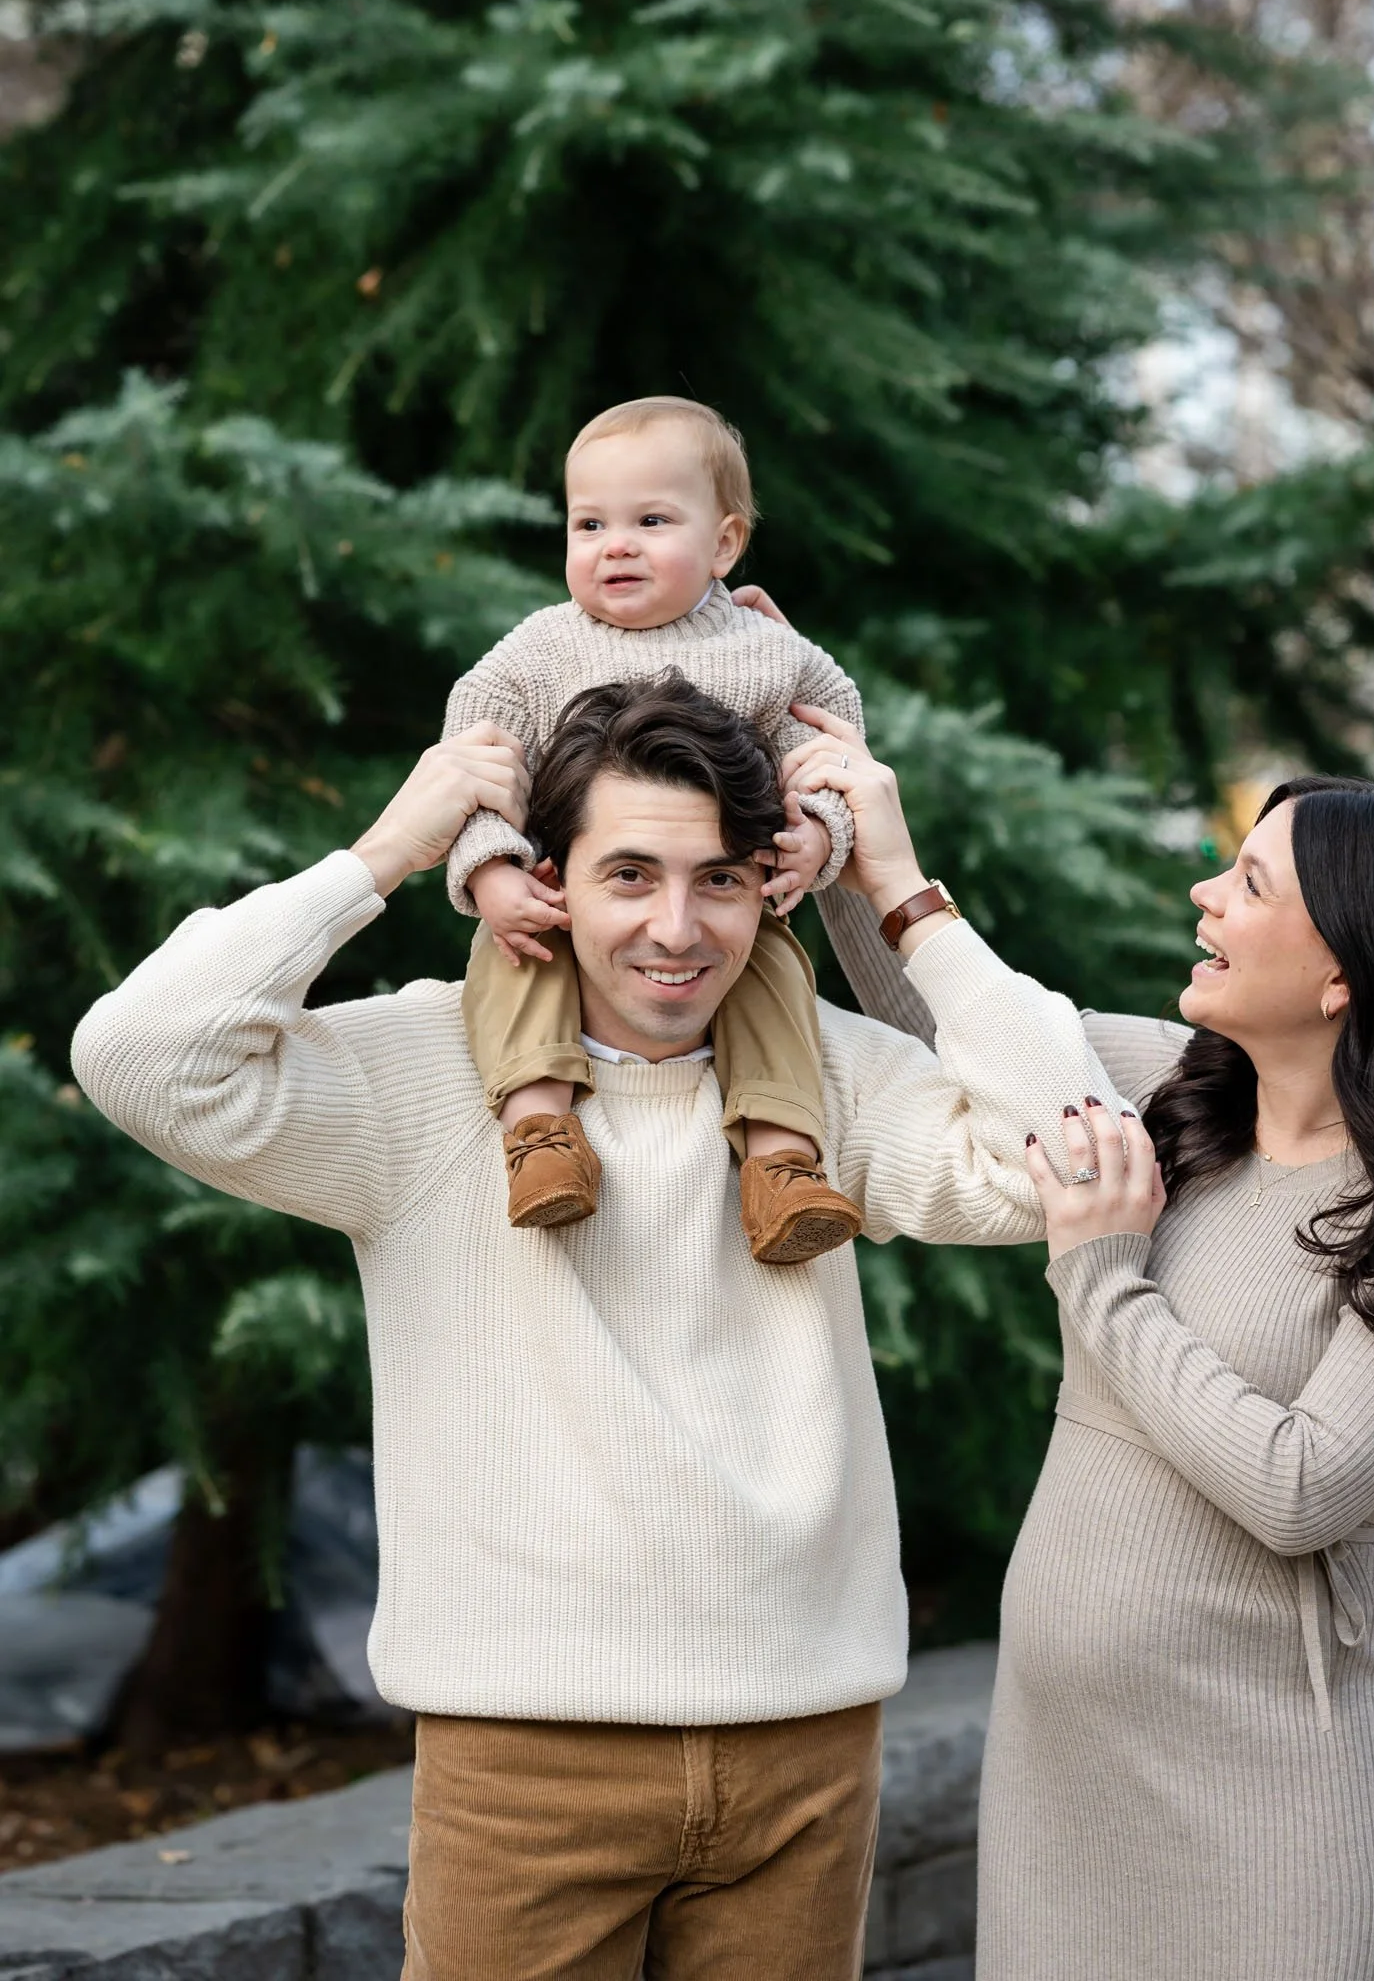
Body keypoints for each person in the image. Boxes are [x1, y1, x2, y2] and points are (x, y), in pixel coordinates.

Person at [70, 672, 1125, 1981]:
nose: (679, 929)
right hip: (526, 1761)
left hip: (806, 1744)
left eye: (722, 881)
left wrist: (905, 895)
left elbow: (1068, 1159)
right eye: (629, 876)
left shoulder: (826, 1076)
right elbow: (140, 1053)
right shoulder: (421, 1073)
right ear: (548, 879)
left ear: (768, 888)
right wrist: (396, 849)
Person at [975, 775, 1374, 1981]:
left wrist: (1099, 1273)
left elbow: (1303, 1488)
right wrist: (864, 859)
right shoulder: (1178, 1098)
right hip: (1060, 1786)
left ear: (1340, 973)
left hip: (1281, 1812)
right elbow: (962, 1025)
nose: (1204, 890)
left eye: (1249, 881)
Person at [444, 393, 874, 1265]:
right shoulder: (540, 650)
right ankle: (539, 1134)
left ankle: (781, 1163)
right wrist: (493, 872)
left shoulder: (764, 650)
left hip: (729, 902)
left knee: (775, 983)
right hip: (563, 895)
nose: (617, 545)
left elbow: (830, 745)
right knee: (517, 961)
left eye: (650, 519)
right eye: (589, 524)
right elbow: (473, 755)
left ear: (724, 543)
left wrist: (820, 835)